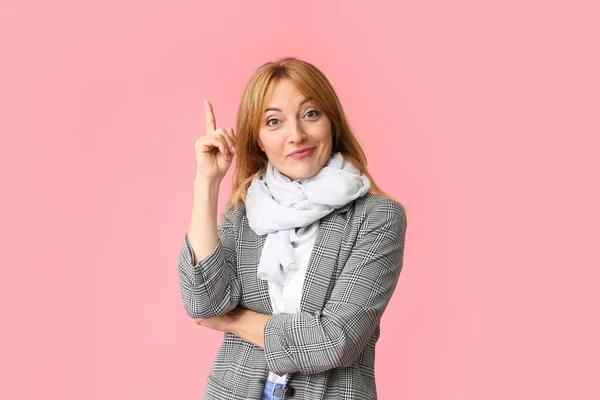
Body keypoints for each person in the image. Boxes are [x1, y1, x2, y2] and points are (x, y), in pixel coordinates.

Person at [177, 57, 407, 400]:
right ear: (257, 139)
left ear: (332, 122)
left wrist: (233, 322)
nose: (296, 135)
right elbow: (203, 302)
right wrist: (207, 183)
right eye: (274, 121)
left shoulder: (378, 217)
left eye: (311, 114)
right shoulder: (245, 212)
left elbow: (334, 341)